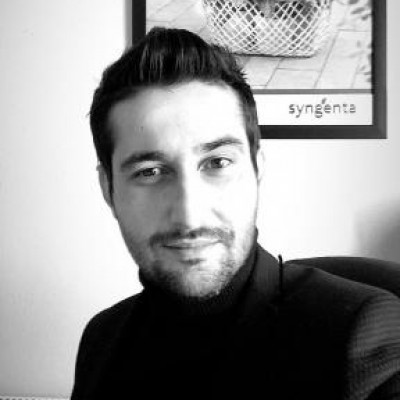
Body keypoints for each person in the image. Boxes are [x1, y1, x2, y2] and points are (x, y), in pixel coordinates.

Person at [71, 27, 400, 400]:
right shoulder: (101, 339)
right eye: (150, 172)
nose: (189, 215)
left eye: (217, 163)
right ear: (108, 188)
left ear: (257, 170)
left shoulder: (362, 331)